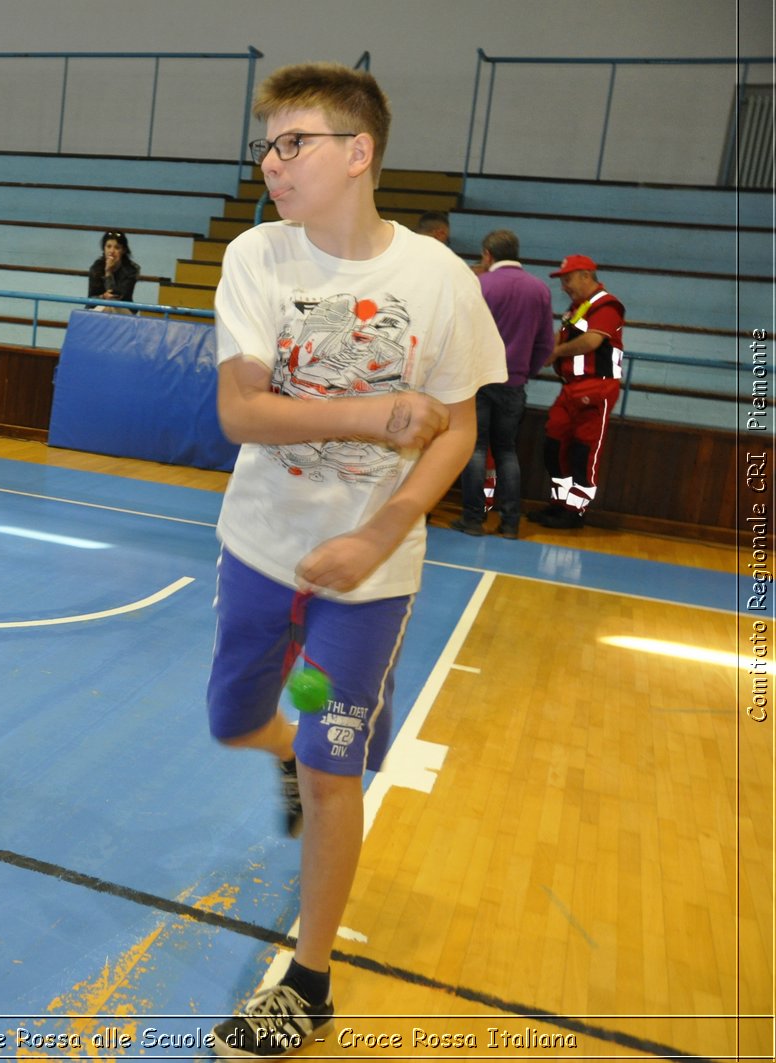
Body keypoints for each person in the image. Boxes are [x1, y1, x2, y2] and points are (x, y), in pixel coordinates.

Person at [204, 63, 503, 1058]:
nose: (271, 162)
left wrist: (384, 527)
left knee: (337, 766)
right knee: (239, 722)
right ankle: (289, 753)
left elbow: (457, 429)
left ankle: (309, 981)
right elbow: (243, 409)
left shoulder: (436, 281)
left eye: (292, 143)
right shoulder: (256, 257)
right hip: (259, 550)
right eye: (266, 145)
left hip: (371, 575)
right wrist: (375, 413)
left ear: (357, 152)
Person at [450, 229, 554, 538]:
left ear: (487, 254)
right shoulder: (539, 290)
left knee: (476, 448)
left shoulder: (479, 285)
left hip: (479, 378)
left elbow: (459, 333)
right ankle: (510, 523)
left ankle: (473, 518)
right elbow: (545, 344)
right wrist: (526, 371)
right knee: (507, 451)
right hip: (514, 382)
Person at [532, 254, 625, 530]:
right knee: (554, 445)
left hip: (597, 386)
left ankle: (576, 512)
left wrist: (556, 352)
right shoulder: (576, 309)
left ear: (586, 275)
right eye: (562, 281)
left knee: (584, 452)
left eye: (568, 279)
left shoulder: (607, 305)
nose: (564, 286)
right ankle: (559, 504)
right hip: (570, 388)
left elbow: (592, 341)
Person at [87, 229, 140, 309]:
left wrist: (108, 272)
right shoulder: (96, 268)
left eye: (117, 247)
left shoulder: (131, 270)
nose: (111, 251)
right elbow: (90, 299)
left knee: (111, 308)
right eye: (108, 247)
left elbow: (116, 298)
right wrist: (103, 297)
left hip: (122, 309)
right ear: (104, 249)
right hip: (98, 308)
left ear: (123, 250)